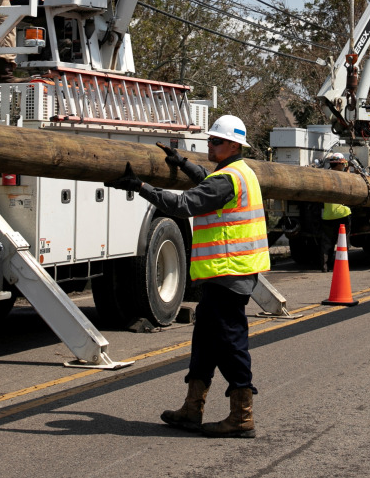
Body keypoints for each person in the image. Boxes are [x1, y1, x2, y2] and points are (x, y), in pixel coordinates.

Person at [105, 114, 267, 439]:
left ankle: (242, 416)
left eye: (216, 141)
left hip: (228, 273)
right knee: (205, 342)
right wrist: (181, 163)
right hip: (227, 274)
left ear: (233, 145)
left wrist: (141, 187)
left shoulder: (227, 179)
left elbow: (183, 204)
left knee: (231, 344)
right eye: (210, 139)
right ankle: (192, 410)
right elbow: (206, 180)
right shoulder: (236, 173)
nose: (211, 143)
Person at [318, 152, 353, 273]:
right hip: (342, 215)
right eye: (342, 164)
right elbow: (351, 183)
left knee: (327, 243)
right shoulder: (343, 177)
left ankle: (325, 266)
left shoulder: (325, 176)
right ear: (338, 164)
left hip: (327, 216)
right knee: (343, 243)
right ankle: (341, 266)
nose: (344, 166)